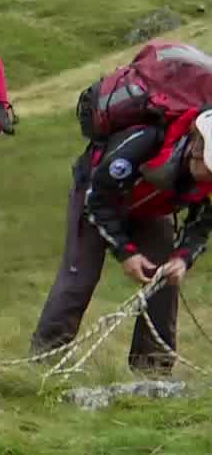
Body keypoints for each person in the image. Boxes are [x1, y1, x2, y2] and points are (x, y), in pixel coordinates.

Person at [30, 110, 212, 373]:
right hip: (97, 196)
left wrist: (182, 259)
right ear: (196, 147)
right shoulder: (145, 142)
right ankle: (42, 364)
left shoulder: (206, 179)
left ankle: (153, 370)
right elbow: (97, 199)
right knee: (79, 280)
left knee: (164, 277)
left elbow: (202, 224)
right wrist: (126, 253)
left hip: (150, 210)